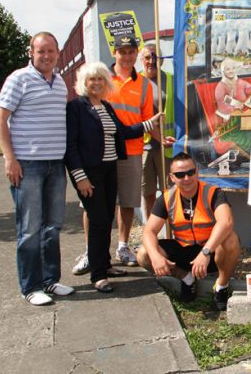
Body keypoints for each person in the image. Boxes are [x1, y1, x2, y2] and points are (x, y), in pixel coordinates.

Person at [0, 31, 75, 305]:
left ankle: (50, 280)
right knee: (29, 228)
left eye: (51, 50)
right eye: (41, 51)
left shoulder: (61, 82)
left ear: (58, 53)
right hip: (27, 165)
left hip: (55, 164)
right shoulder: (18, 79)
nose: (47, 55)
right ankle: (30, 286)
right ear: (32, 52)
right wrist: (9, 158)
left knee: (52, 226)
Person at [65, 62, 161, 293]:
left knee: (106, 219)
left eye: (100, 79)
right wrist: (80, 177)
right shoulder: (76, 107)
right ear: (83, 83)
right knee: (98, 221)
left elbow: (124, 132)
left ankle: (105, 265)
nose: (96, 83)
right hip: (90, 173)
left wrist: (151, 122)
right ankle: (98, 275)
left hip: (110, 169)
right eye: (92, 80)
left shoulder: (106, 107)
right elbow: (71, 147)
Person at [137, 152, 241, 309]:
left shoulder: (214, 193)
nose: (186, 178)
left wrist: (205, 252)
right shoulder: (165, 198)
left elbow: (226, 222)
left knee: (231, 239)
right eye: (180, 174)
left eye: (190, 172)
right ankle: (187, 278)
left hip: (210, 255)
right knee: (144, 253)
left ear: (197, 172)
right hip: (183, 253)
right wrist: (155, 256)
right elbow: (149, 231)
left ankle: (221, 286)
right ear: (172, 178)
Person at [109, 34, 155, 266]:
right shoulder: (102, 78)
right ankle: (92, 250)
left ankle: (122, 246)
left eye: (130, 52)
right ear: (114, 53)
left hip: (132, 151)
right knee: (96, 203)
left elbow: (148, 120)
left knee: (127, 202)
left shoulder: (144, 84)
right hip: (103, 151)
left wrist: (160, 138)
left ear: (136, 54)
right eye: (122, 51)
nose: (127, 56)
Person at [140, 43, 176, 219]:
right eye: (147, 57)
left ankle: (171, 232)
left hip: (166, 147)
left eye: (155, 57)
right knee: (148, 194)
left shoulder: (170, 79)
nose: (151, 61)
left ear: (161, 60)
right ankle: (151, 233)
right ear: (141, 60)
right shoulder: (136, 81)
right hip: (144, 147)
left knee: (169, 192)